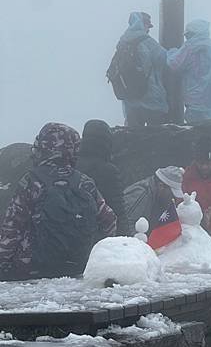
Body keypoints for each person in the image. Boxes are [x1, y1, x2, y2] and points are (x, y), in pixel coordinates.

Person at [0, 123, 117, 281]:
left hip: (33, 268)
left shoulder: (31, 181)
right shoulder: (84, 182)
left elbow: (12, 227)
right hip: (78, 266)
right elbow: (109, 220)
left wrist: (3, 263)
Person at [166, 19, 211, 123]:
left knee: (196, 132)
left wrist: (171, 52)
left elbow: (174, 64)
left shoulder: (191, 47)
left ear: (193, 33)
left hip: (196, 100)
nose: (186, 38)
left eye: (187, 35)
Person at [114, 12, 168, 127]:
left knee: (133, 133)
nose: (148, 28)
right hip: (150, 93)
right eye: (148, 25)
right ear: (143, 24)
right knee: (156, 132)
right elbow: (163, 58)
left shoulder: (123, 41)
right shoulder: (146, 40)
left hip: (130, 96)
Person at [76, 119, 128, 236]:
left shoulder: (71, 164)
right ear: (107, 141)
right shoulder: (108, 171)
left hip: (72, 235)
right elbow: (118, 211)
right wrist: (126, 241)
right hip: (98, 236)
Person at [122, 165, 184, 236]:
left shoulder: (158, 197)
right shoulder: (141, 193)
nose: (174, 199)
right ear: (161, 186)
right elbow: (125, 225)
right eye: (172, 194)